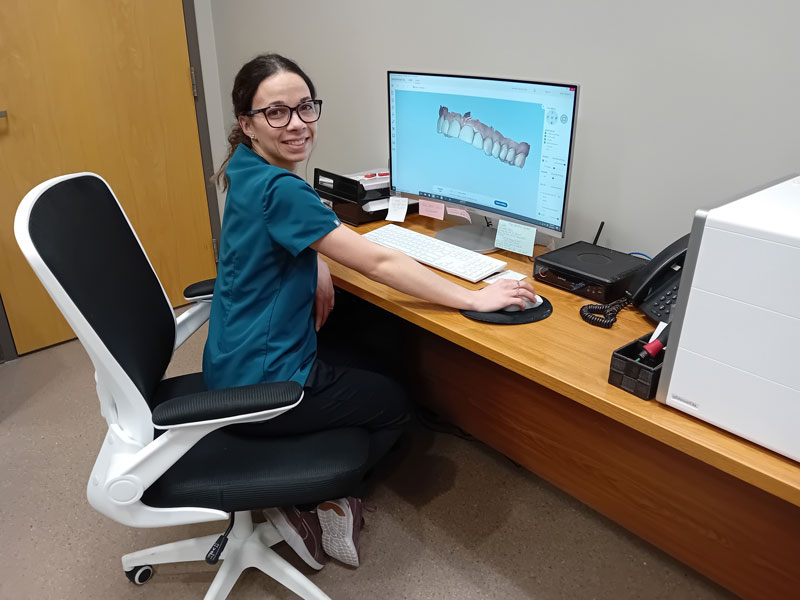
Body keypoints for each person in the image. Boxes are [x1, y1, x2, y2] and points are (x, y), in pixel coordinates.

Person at [203, 53, 538, 570]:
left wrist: (312, 254)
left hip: (230, 361)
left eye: (305, 108)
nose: (296, 124)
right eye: (276, 113)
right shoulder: (282, 190)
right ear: (246, 123)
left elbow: (274, 236)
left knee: (372, 338)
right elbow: (380, 261)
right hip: (267, 382)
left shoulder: (246, 171)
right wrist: (475, 295)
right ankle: (323, 502)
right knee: (397, 402)